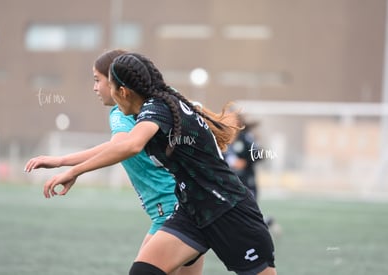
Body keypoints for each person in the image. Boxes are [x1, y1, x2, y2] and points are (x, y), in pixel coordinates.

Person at [25, 52, 277, 275]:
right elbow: (123, 144)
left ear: (122, 91)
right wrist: (64, 163)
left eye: (104, 83)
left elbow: (130, 145)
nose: (98, 89)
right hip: (192, 212)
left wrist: (74, 171)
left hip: (230, 211)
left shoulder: (158, 108)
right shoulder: (154, 106)